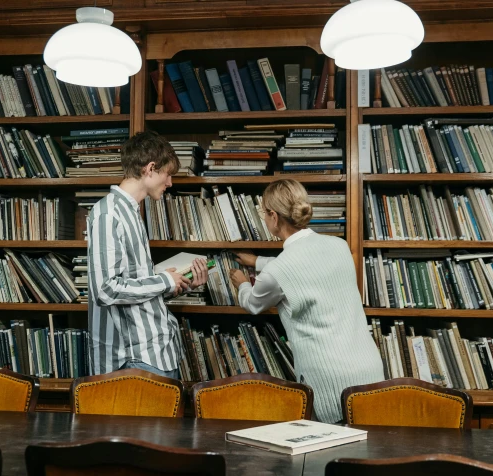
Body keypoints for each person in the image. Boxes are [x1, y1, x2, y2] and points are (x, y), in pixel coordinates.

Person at [229, 179, 384, 423]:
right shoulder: (339, 246)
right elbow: (304, 266)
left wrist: (243, 283)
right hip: (370, 368)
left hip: (330, 379)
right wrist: (258, 261)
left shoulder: (279, 270)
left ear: (273, 216)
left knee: (330, 453)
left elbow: (253, 303)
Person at [87, 130, 208, 379]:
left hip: (154, 352)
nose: (170, 183)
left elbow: (135, 284)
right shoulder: (108, 213)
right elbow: (105, 289)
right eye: (168, 175)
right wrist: (164, 280)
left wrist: (178, 282)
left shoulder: (131, 213)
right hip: (133, 359)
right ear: (150, 169)